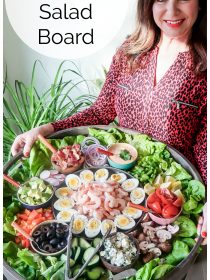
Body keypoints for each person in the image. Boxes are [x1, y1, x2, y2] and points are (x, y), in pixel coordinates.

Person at [11, 0, 207, 238]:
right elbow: (101, 111)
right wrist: (47, 127)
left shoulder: (203, 67)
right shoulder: (130, 51)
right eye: (161, 0)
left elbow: (204, 148)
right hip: (115, 179)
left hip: (167, 195)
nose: (172, 11)